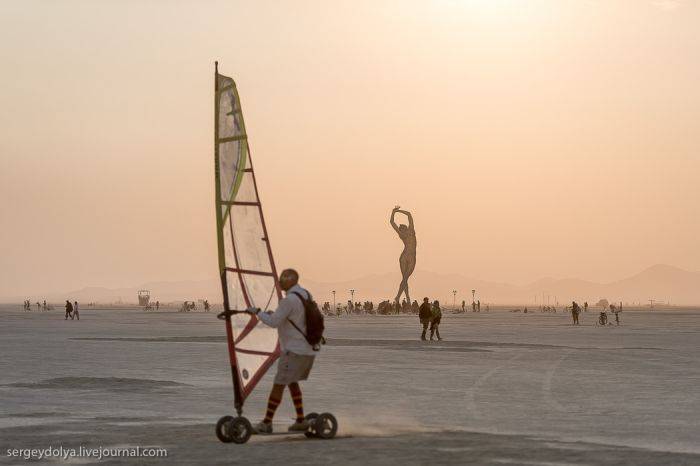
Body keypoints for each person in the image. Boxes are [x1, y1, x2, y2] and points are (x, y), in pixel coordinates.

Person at [245, 269, 318, 435]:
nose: (280, 281)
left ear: (291, 280)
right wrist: (275, 315)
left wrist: (258, 313)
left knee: (278, 385)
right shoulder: (305, 294)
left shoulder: (289, 300)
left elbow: (273, 322)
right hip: (308, 350)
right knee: (292, 382)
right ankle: (300, 419)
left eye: (283, 278)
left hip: (293, 350)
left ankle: (267, 422)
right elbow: (293, 318)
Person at [390, 206, 417, 305]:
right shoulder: (408, 232)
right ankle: (402, 297)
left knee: (405, 279)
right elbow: (393, 223)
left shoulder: (409, 231)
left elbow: (408, 215)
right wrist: (395, 212)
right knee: (405, 278)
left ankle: (401, 297)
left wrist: (396, 211)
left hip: (407, 256)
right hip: (407, 256)